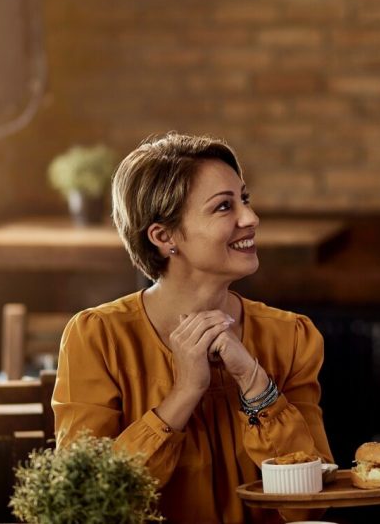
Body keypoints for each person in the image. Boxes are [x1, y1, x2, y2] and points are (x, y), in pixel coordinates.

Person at [52, 133, 333, 523]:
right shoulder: (97, 337)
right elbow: (83, 508)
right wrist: (184, 393)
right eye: (223, 207)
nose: (250, 218)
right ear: (163, 237)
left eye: (244, 199)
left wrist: (255, 384)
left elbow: (311, 506)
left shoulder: (291, 337)